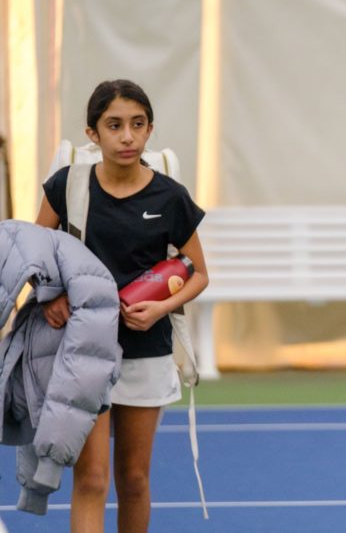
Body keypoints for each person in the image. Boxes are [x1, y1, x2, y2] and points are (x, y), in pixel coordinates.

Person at [36, 80, 209, 533]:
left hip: (147, 351)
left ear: (150, 129)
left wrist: (158, 308)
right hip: (81, 353)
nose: (127, 137)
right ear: (93, 133)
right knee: (91, 478)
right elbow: (36, 256)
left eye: (137, 125)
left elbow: (199, 273)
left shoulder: (170, 197)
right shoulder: (66, 185)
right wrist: (50, 295)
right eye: (114, 126)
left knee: (133, 480)